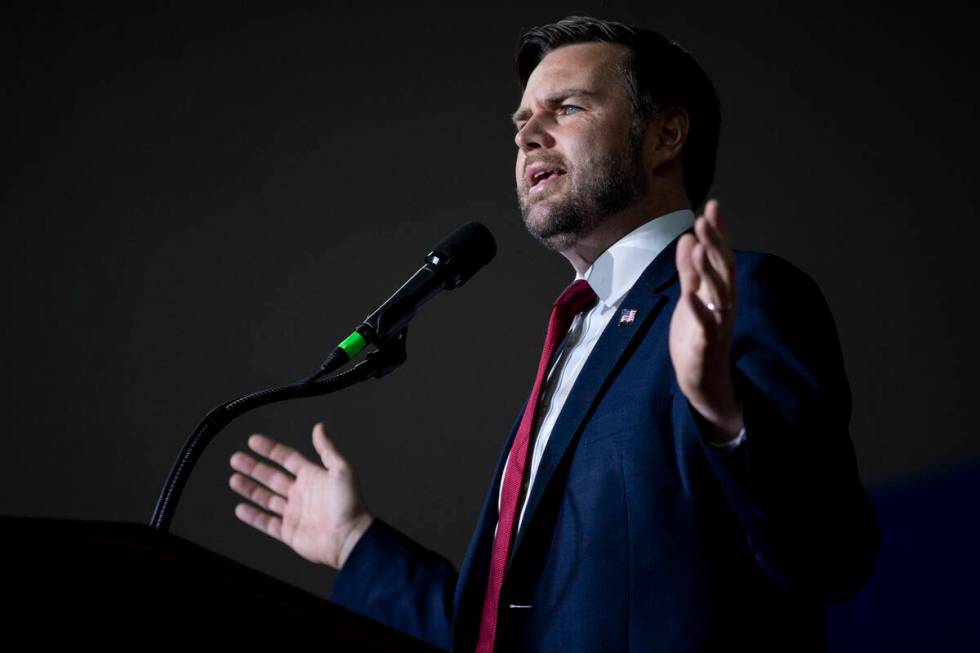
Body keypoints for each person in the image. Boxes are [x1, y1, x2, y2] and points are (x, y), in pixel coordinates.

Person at [227, 16, 879, 652]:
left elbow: (830, 556)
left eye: (565, 108)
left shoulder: (744, 297)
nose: (527, 135)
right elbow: (496, 635)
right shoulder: (573, 341)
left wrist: (726, 414)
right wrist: (352, 541)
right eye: (520, 122)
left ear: (665, 135)